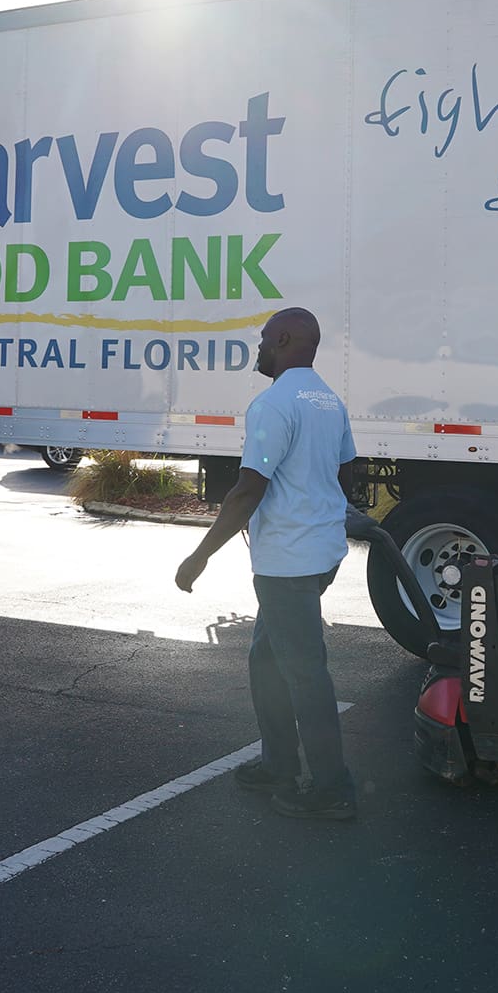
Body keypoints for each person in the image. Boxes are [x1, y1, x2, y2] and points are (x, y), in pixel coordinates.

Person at [176, 307, 359, 821]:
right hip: (320, 555)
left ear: (283, 339)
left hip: (288, 563)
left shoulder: (274, 404)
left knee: (305, 674)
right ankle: (278, 763)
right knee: (266, 659)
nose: (258, 348)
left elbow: (247, 489)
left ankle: (333, 790)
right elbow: (346, 468)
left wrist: (199, 556)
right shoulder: (329, 401)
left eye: (262, 340)